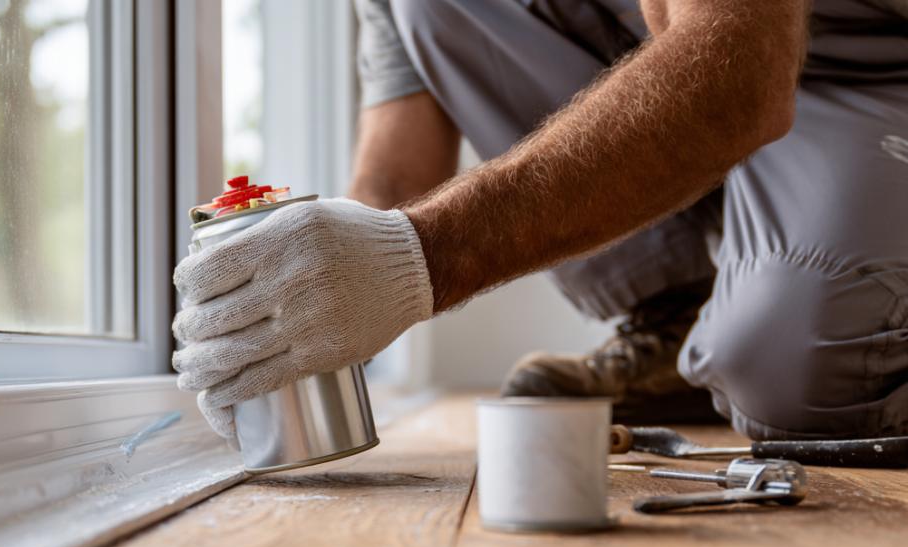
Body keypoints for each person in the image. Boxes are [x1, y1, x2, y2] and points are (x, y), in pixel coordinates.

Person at [172, 0, 908, 444]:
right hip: (709, 80)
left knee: (793, 369)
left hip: (869, 73)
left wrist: (419, 257)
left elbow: (738, 73)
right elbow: (394, 179)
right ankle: (676, 309)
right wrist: (288, 317)